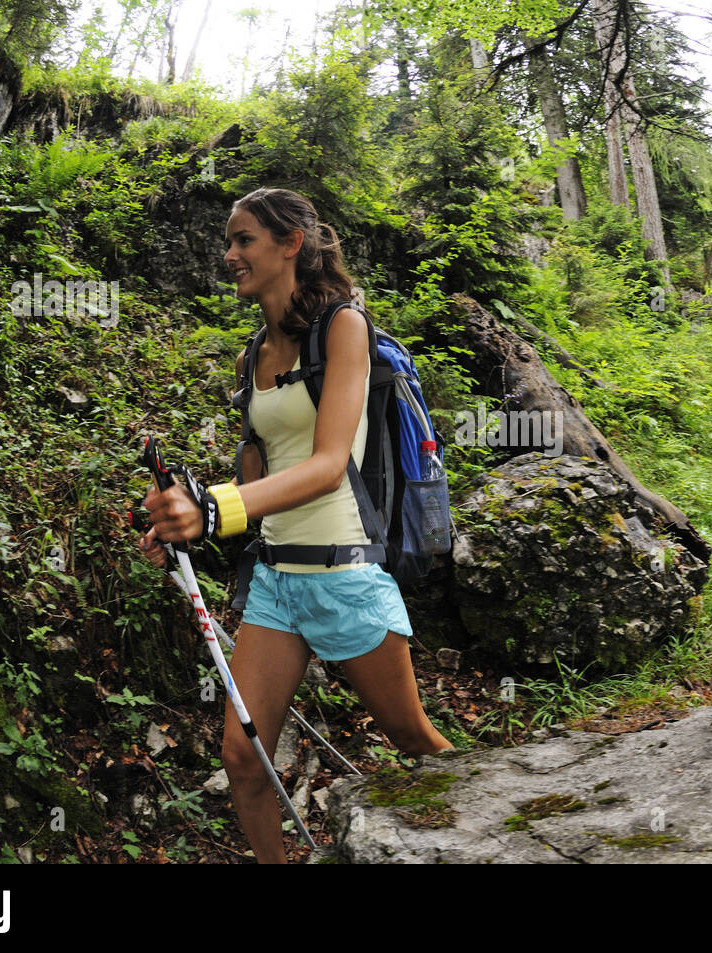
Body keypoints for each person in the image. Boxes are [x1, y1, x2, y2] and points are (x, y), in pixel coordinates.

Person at [137, 187, 451, 863]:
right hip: (277, 584)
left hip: (343, 573)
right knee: (243, 758)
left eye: (243, 239)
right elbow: (254, 488)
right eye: (229, 241)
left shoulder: (345, 327)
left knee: (416, 740)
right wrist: (187, 525)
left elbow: (329, 462)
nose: (229, 255)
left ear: (291, 244)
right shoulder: (253, 356)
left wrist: (213, 507)